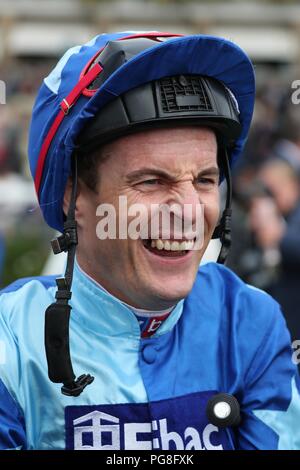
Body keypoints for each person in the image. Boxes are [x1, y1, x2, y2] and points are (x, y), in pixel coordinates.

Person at [0, 31, 299, 451]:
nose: (190, 211)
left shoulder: (250, 320)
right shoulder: (9, 341)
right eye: (151, 181)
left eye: (205, 180)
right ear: (73, 197)